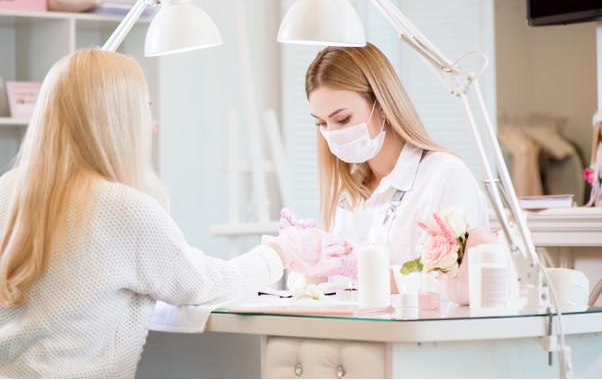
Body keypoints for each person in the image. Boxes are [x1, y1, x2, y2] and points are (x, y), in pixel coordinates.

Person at [0, 49, 348, 378]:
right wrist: (283, 251)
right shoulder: (122, 208)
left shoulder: (8, 189)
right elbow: (209, 283)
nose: (151, 126)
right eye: (145, 109)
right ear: (117, 119)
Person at [285, 43, 489, 289]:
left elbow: (450, 283)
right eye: (321, 124)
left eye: (342, 119)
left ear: (382, 105)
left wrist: (363, 272)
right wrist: (308, 258)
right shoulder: (350, 193)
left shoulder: (444, 175)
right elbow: (322, 290)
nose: (332, 134)